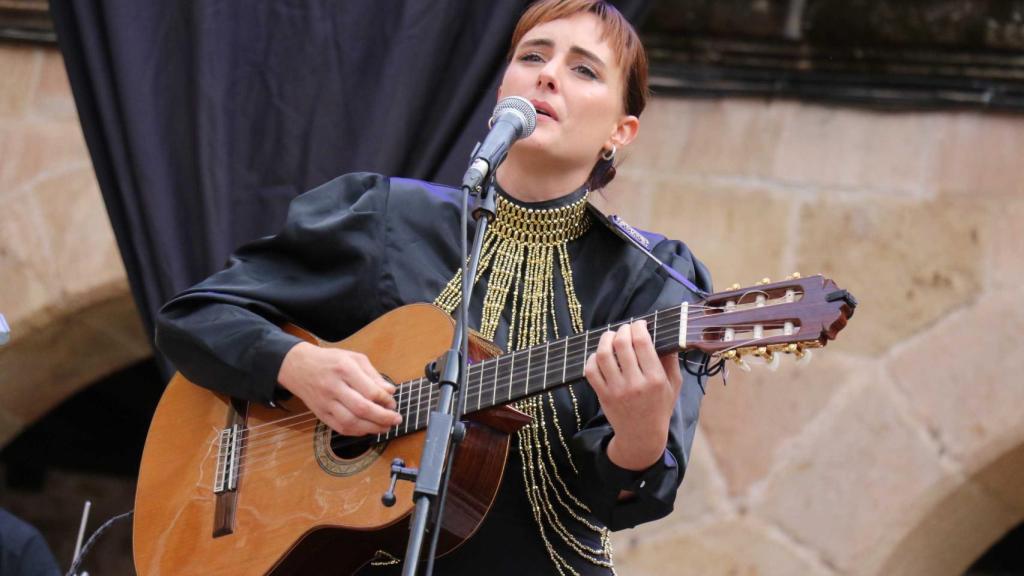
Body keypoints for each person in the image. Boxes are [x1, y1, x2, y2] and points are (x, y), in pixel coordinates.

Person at [155, 1, 712, 574]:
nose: (547, 74)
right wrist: (296, 365)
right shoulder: (385, 217)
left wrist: (641, 437)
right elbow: (194, 318)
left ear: (621, 131)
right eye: (532, 56)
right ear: (503, 91)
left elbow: (624, 503)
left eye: (584, 70)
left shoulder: (655, 276)